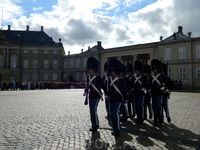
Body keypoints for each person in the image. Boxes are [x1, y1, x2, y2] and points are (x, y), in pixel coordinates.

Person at [108, 58, 127, 136]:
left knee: (115, 113)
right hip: (111, 99)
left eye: (114, 72)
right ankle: (114, 128)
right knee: (112, 115)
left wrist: (125, 101)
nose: (113, 73)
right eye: (112, 71)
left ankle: (118, 129)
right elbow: (109, 89)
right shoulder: (109, 80)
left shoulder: (120, 80)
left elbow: (123, 91)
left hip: (118, 99)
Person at [84, 57, 103, 132]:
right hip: (91, 96)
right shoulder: (88, 78)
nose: (90, 70)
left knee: (93, 110)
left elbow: (103, 86)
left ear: (94, 69)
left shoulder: (98, 78)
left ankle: (95, 125)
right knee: (91, 111)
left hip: (97, 96)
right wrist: (85, 91)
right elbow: (87, 86)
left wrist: (107, 93)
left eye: (91, 69)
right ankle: (94, 124)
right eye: (89, 69)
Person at [147, 59, 167, 126]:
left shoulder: (162, 76)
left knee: (158, 106)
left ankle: (160, 120)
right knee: (154, 107)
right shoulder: (151, 77)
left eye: (156, 69)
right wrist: (147, 89)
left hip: (159, 93)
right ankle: (155, 120)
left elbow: (167, 84)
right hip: (153, 93)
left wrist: (164, 88)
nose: (155, 70)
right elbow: (148, 84)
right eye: (154, 69)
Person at [130, 60, 147, 124]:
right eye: (136, 70)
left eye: (138, 70)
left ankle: (141, 118)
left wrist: (145, 88)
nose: (137, 71)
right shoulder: (134, 77)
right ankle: (138, 118)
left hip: (141, 93)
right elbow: (131, 84)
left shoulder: (144, 77)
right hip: (135, 93)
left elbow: (147, 84)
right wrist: (131, 89)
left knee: (140, 105)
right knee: (136, 106)